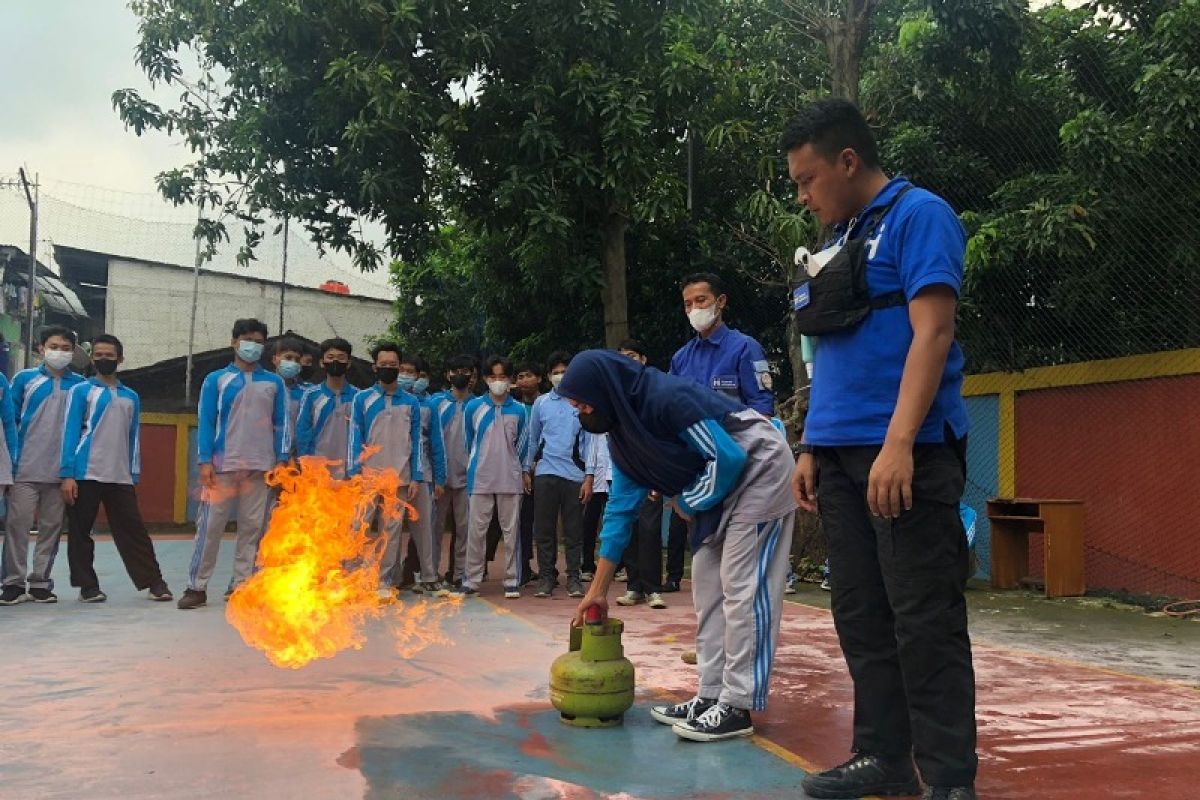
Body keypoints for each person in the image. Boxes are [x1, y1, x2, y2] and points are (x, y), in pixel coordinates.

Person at [784, 99, 976, 800]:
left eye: (807, 180)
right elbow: (829, 351)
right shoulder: (843, 236)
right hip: (837, 455)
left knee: (923, 619)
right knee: (862, 615)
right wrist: (812, 445)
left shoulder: (919, 216)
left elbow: (933, 334)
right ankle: (883, 756)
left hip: (906, 453)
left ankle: (950, 780)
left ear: (847, 161)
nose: (803, 196)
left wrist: (899, 444)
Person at [563, 351, 795, 743]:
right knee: (707, 590)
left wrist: (688, 502)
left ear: (606, 391)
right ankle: (710, 695)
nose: (581, 413)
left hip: (759, 469)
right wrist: (597, 591)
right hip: (719, 485)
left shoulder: (664, 398)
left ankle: (737, 704)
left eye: (584, 403)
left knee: (742, 591)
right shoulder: (625, 438)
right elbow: (620, 512)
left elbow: (728, 455)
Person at [178, 319, 289, 610]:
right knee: (210, 527)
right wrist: (204, 461)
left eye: (258, 340)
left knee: (253, 528)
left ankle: (242, 585)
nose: (252, 345)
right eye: (247, 339)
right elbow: (206, 422)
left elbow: (281, 424)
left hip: (260, 466)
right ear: (234, 342)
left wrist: (280, 461)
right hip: (222, 466)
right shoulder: (216, 380)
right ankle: (197, 586)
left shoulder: (274, 382)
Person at [60, 334, 172, 602]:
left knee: (134, 531)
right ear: (92, 358)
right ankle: (87, 586)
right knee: (80, 532)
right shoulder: (81, 391)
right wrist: (67, 474)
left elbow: (133, 437)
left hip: (119, 476)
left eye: (109, 356)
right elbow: (70, 432)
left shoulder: (131, 396)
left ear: (120, 359)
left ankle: (154, 582)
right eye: (98, 355)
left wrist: (133, 473)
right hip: (84, 473)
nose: (103, 359)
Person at [1, 325, 86, 605]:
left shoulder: (80, 386)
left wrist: (70, 471)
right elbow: (9, 423)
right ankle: (13, 583)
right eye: (53, 346)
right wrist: (11, 464)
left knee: (51, 529)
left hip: (60, 474)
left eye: (65, 348)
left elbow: (83, 430)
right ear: (40, 349)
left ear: (73, 352)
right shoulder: (24, 380)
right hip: (24, 469)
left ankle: (40, 583)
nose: (58, 353)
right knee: (17, 526)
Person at [346, 342, 423, 600]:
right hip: (367, 477)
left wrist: (416, 476)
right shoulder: (362, 399)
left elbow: (416, 442)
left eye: (393, 365)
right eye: (383, 365)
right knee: (360, 527)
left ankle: (384, 580)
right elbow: (354, 438)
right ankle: (354, 577)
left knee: (391, 532)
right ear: (374, 367)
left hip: (399, 477)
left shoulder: (411, 402)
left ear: (400, 368)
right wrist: (354, 472)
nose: (388, 369)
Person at [454, 356, 529, 598]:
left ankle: (512, 580)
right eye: (493, 377)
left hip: (510, 478)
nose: (498, 381)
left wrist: (522, 471)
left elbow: (524, 446)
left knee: (512, 531)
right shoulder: (473, 407)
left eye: (503, 377)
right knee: (476, 531)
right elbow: (468, 441)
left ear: (510, 380)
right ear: (485, 379)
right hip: (480, 478)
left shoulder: (519, 410)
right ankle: (472, 580)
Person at [526, 351, 593, 599]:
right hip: (545, 472)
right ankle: (546, 576)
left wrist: (589, 475)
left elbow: (588, 441)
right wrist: (527, 468)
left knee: (574, 530)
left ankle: (574, 578)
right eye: (555, 372)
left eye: (565, 371)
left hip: (575, 475)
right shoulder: (541, 403)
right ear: (548, 376)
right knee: (544, 529)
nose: (560, 376)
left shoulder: (581, 402)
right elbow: (533, 439)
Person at [610, 340, 667, 610]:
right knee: (629, 529)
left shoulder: (655, 390)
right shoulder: (617, 395)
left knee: (650, 529)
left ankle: (653, 588)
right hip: (626, 470)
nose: (628, 362)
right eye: (622, 358)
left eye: (632, 356)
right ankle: (634, 586)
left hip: (652, 471)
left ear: (643, 359)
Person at [670, 272, 775, 416]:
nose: (694, 309)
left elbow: (762, 408)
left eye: (701, 300)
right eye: (688, 304)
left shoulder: (745, 347)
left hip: (736, 436)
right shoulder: (680, 359)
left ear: (720, 301)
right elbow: (670, 406)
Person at [393, 353, 446, 595]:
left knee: (424, 528)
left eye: (410, 371)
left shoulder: (429, 406)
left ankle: (429, 575)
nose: (405, 375)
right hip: (391, 474)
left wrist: (440, 479)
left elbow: (436, 444)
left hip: (421, 473)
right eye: (401, 369)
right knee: (390, 528)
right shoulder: (389, 400)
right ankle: (391, 577)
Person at [432, 354, 475, 587]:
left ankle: (460, 574)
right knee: (435, 529)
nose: (460, 375)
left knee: (465, 529)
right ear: (448, 375)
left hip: (467, 479)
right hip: (440, 478)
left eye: (465, 371)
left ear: (472, 376)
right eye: (455, 370)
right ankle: (432, 574)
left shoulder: (477, 405)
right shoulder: (436, 403)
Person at [295, 338, 357, 478]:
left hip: (350, 474)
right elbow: (303, 433)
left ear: (348, 363)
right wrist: (306, 465)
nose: (335, 361)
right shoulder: (311, 395)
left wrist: (357, 468)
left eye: (341, 358)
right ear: (322, 362)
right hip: (318, 474)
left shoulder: (358, 397)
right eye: (330, 357)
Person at [509, 360, 544, 582]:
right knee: (522, 520)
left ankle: (547, 568)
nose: (524, 381)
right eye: (519, 377)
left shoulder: (548, 403)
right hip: (518, 473)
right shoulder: (514, 407)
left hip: (545, 470)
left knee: (543, 522)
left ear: (540, 378)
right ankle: (523, 567)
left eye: (528, 375)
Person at [273, 337, 313, 450]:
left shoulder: (308, 392)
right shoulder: (263, 388)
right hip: (266, 455)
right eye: (288, 357)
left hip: (297, 456)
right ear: (275, 359)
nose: (293, 363)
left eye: (297, 360)